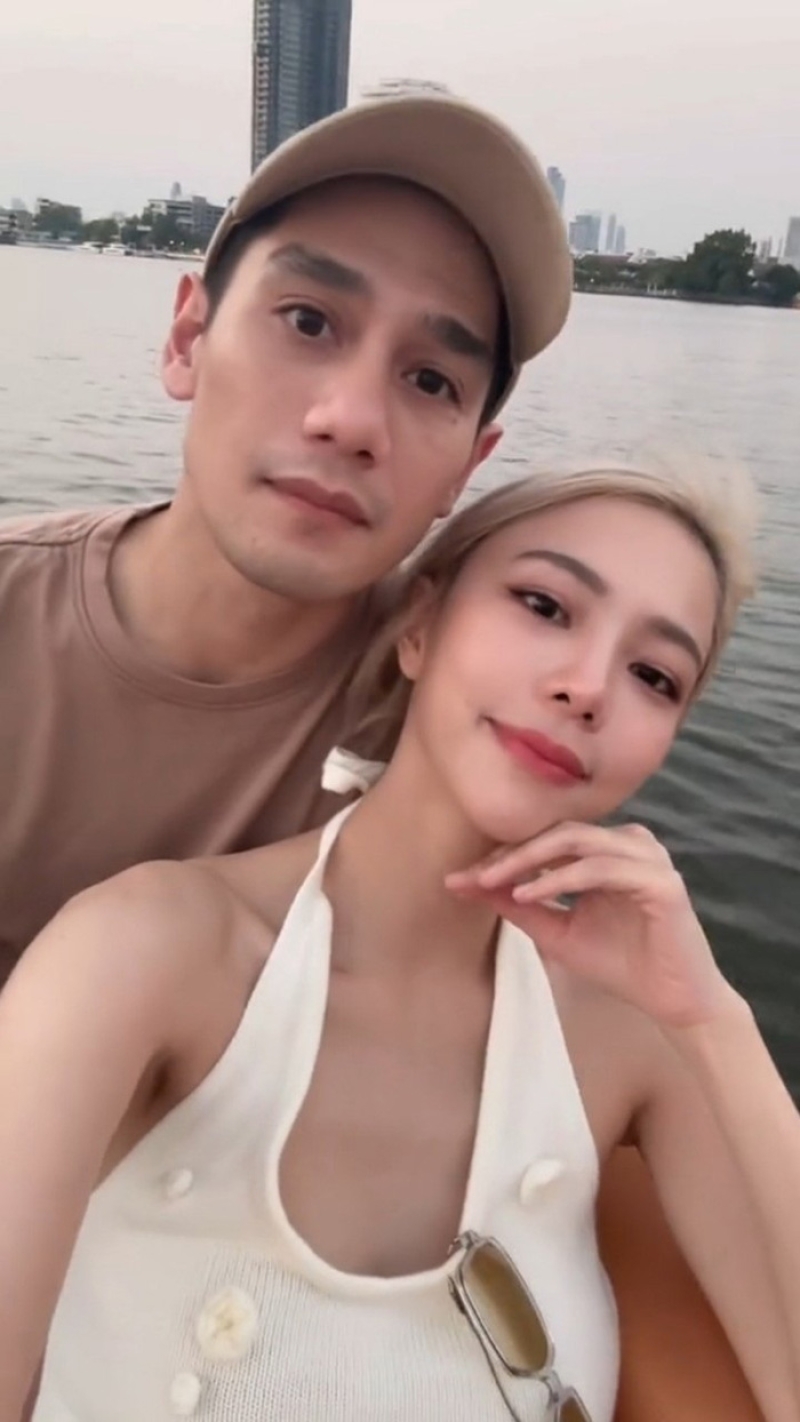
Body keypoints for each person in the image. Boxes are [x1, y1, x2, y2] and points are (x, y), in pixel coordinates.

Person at [1, 462, 796, 1422]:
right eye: (545, 606)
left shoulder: (638, 1033)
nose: (589, 688)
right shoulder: (148, 955)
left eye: (654, 677)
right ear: (419, 625)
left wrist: (714, 1021)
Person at [0, 89, 570, 976]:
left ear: (468, 465)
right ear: (187, 339)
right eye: (308, 321)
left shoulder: (461, 727)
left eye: (431, 382)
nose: (352, 421)